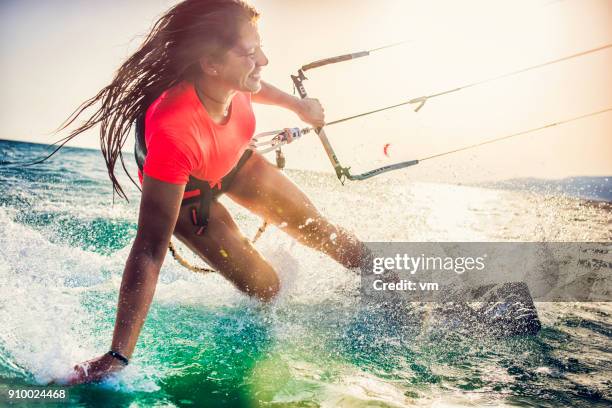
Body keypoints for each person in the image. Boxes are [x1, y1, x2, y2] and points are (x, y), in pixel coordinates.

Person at [59, 0, 367, 384]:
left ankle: (396, 283)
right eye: (251, 53)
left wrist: (298, 106)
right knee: (267, 287)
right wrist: (118, 355)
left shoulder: (233, 79)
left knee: (320, 230)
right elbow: (149, 249)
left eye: (260, 47)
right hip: (189, 195)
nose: (265, 60)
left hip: (234, 160)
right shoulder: (174, 131)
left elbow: (254, 87)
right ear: (211, 65)